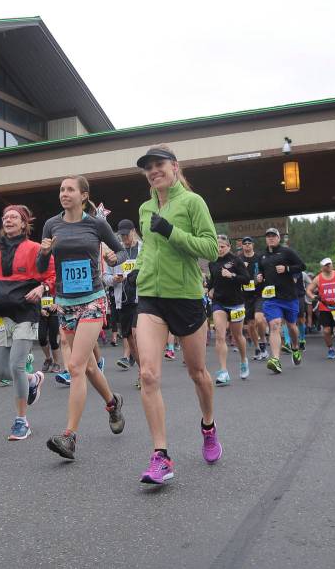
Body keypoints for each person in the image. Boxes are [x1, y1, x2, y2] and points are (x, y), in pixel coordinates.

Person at [132, 145, 221, 485]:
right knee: (149, 374)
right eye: (148, 168)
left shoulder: (193, 203)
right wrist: (137, 271)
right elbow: (148, 249)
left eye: (159, 165)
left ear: (174, 167)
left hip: (184, 296)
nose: (154, 171)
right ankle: (161, 456)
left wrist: (172, 232)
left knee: (197, 373)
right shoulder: (144, 208)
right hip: (151, 297)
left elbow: (210, 248)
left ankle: (208, 425)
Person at [36, 175, 126, 460]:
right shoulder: (52, 224)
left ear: (83, 195)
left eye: (70, 189)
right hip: (65, 303)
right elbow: (41, 266)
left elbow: (121, 251)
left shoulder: (96, 224)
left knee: (74, 366)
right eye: (61, 189)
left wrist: (114, 259)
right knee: (86, 367)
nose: (64, 193)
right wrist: (44, 253)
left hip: (93, 300)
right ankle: (113, 403)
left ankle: (69, 436)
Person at [0, 205, 54, 440]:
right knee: (2, 372)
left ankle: (21, 421)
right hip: (0, 314)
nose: (8, 220)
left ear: (23, 224)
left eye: (14, 217)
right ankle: (34, 379)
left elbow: (51, 275)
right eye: (5, 217)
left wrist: (42, 288)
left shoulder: (36, 249)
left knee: (17, 366)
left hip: (25, 313)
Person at [256, 227, 306, 372]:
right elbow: (260, 272)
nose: (270, 238)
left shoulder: (287, 252)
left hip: (289, 297)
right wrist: (259, 277)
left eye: (273, 236)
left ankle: (295, 347)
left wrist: (287, 269)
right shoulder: (262, 256)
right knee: (275, 325)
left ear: (278, 238)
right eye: (268, 236)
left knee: (291, 326)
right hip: (271, 298)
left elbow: (302, 266)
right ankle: (276, 359)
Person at [207, 234, 252, 384]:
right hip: (219, 303)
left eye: (222, 247)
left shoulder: (237, 260)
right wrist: (210, 289)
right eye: (217, 246)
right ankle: (223, 371)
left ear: (229, 247)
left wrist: (231, 275)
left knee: (237, 336)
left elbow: (246, 279)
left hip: (236, 303)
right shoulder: (212, 262)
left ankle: (244, 360)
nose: (219, 249)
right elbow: (212, 281)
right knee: (220, 335)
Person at [106, 219, 141, 371]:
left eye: (127, 235)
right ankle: (141, 368)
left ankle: (143, 371)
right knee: (129, 336)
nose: (124, 238)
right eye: (122, 236)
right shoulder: (115, 253)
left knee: (137, 333)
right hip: (123, 300)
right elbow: (105, 277)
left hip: (142, 299)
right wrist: (113, 279)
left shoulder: (144, 249)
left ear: (134, 231)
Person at [306, 258, 335, 359]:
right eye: (326, 265)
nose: (328, 266)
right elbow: (309, 289)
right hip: (325, 307)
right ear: (322, 267)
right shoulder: (318, 278)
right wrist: (313, 296)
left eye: (329, 264)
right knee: (326, 331)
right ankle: (330, 349)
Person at [238, 237, 266, 362]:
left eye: (249, 243)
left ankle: (263, 343)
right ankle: (257, 348)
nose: (247, 246)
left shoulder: (259, 258)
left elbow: (266, 271)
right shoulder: (238, 259)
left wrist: (262, 277)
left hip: (259, 293)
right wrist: (241, 269)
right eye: (245, 244)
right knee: (250, 325)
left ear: (253, 245)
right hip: (246, 295)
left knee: (259, 319)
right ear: (242, 246)